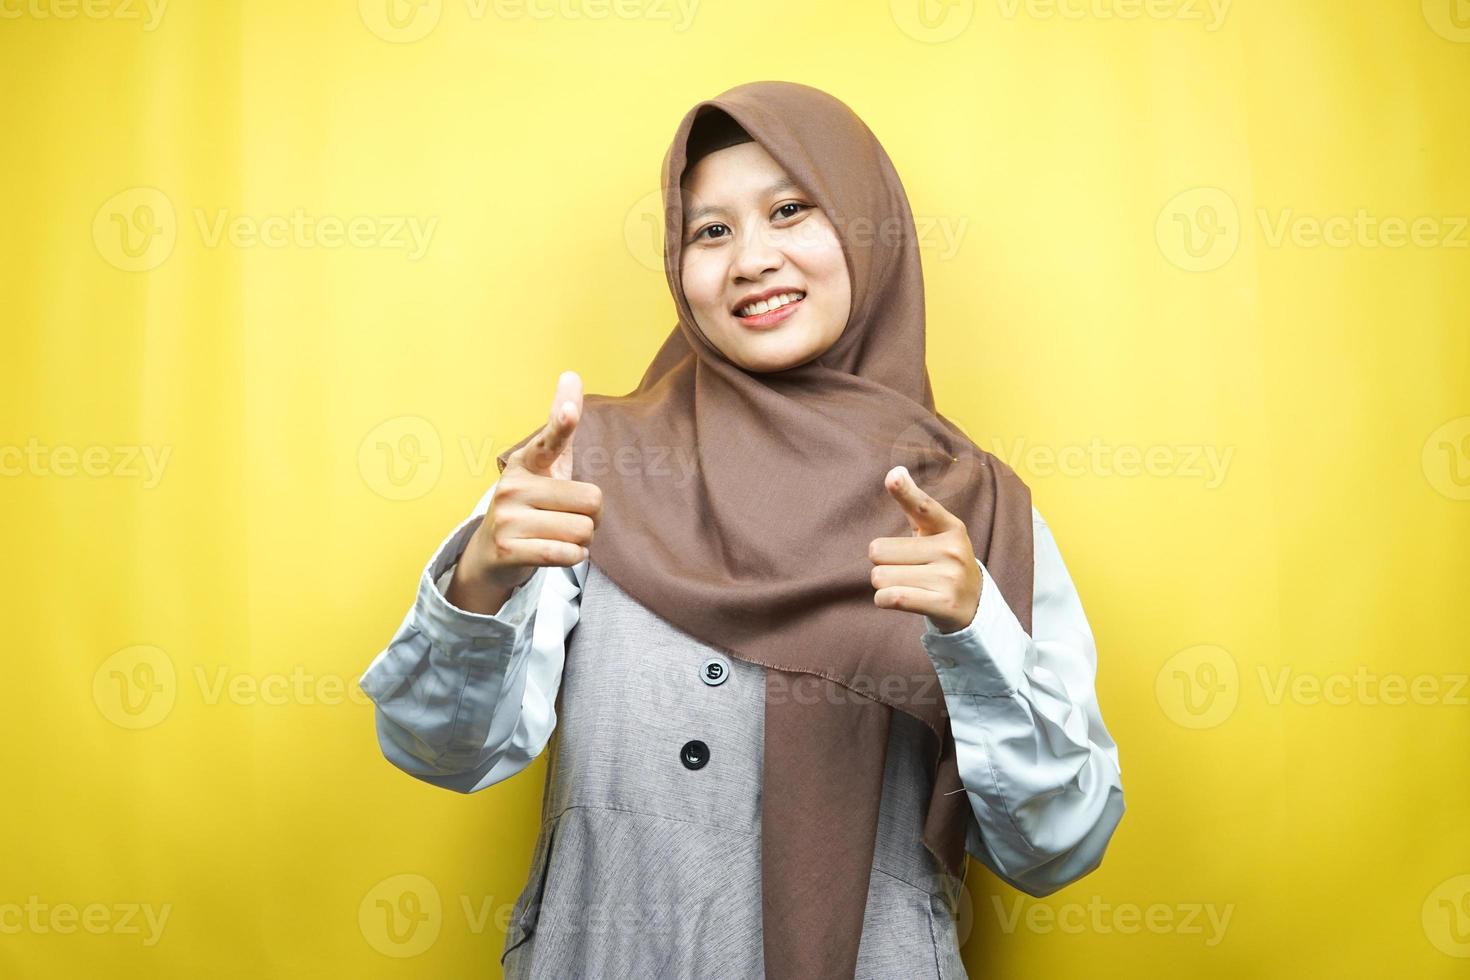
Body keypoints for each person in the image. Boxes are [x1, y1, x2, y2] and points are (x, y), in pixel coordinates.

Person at [359, 80, 1125, 979]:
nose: (751, 258)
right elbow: (439, 752)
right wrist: (479, 583)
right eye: (710, 231)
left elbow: (1057, 846)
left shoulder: (972, 512)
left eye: (791, 210)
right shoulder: (586, 469)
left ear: (869, 229)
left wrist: (974, 633)